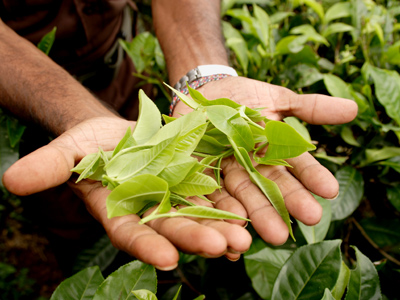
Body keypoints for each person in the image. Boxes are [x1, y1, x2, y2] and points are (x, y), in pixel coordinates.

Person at [0, 0, 358, 272]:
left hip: (119, 57)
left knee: (144, 218)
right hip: (18, 90)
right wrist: (74, 114)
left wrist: (204, 78)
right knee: (73, 215)